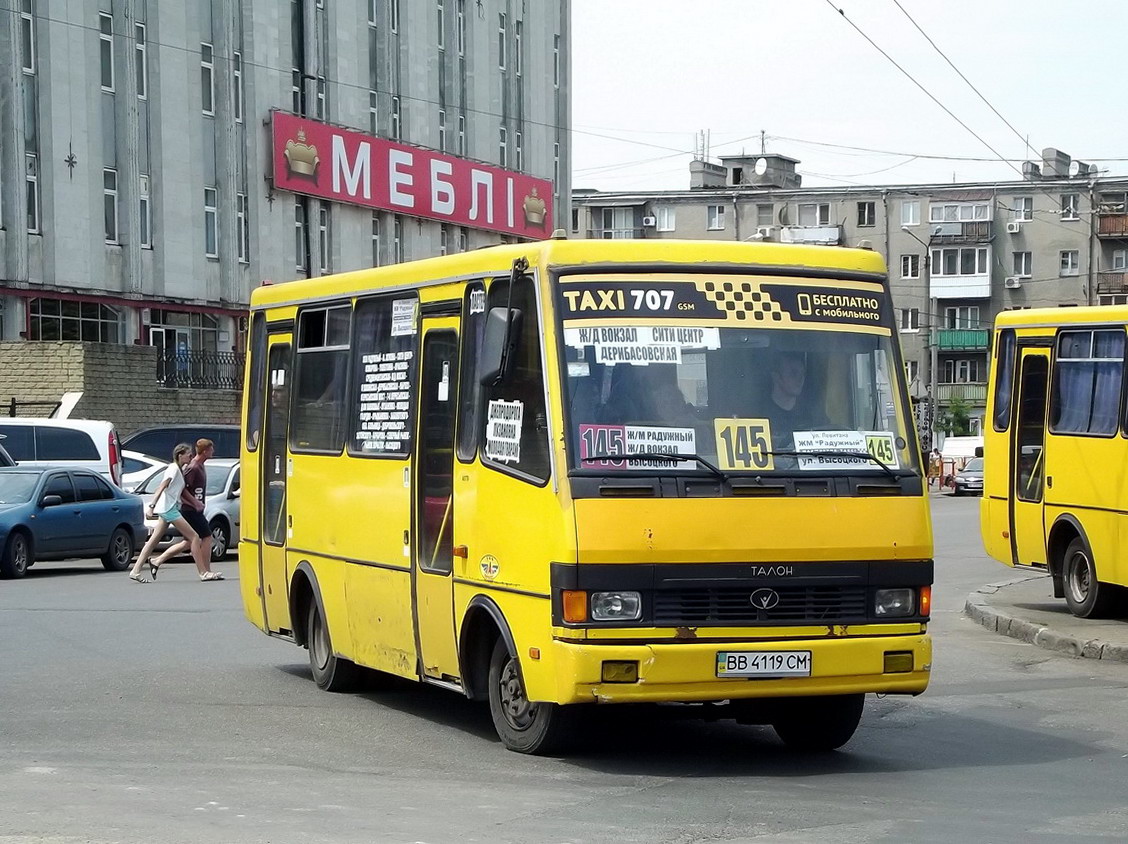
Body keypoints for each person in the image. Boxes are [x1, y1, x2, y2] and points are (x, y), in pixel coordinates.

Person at [147, 438, 225, 581]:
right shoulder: (193, 467)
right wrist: (195, 503)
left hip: (194, 509)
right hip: (189, 510)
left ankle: (157, 561)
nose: (213, 451)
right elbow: (182, 489)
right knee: (206, 536)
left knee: (189, 542)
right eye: (212, 449)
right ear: (206, 451)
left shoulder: (200, 465)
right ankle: (206, 571)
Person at [128, 443, 200, 583]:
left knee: (153, 541)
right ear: (180, 455)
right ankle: (203, 572)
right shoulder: (173, 469)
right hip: (169, 509)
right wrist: (151, 506)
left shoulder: (178, 469)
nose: (191, 456)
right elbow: (161, 487)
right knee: (195, 537)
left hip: (168, 508)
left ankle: (137, 570)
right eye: (189, 454)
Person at [762, 350, 828, 448]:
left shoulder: (814, 415)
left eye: (803, 374)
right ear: (776, 376)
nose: (800, 379)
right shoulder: (761, 415)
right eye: (793, 373)